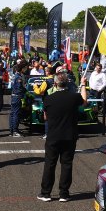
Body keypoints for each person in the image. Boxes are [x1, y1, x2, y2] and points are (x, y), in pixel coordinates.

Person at [37, 70, 84, 202]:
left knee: (49, 164)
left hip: (53, 135)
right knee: (66, 164)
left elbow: (45, 117)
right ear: (67, 82)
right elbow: (84, 101)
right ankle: (64, 193)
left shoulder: (48, 98)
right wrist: (83, 85)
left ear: (55, 83)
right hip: (69, 135)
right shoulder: (74, 97)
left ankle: (46, 193)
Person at [7, 61, 27, 137]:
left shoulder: (15, 75)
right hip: (17, 96)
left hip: (14, 96)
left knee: (12, 113)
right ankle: (14, 131)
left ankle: (12, 130)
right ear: (22, 68)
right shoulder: (18, 77)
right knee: (16, 113)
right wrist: (25, 92)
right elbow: (19, 88)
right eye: (25, 68)